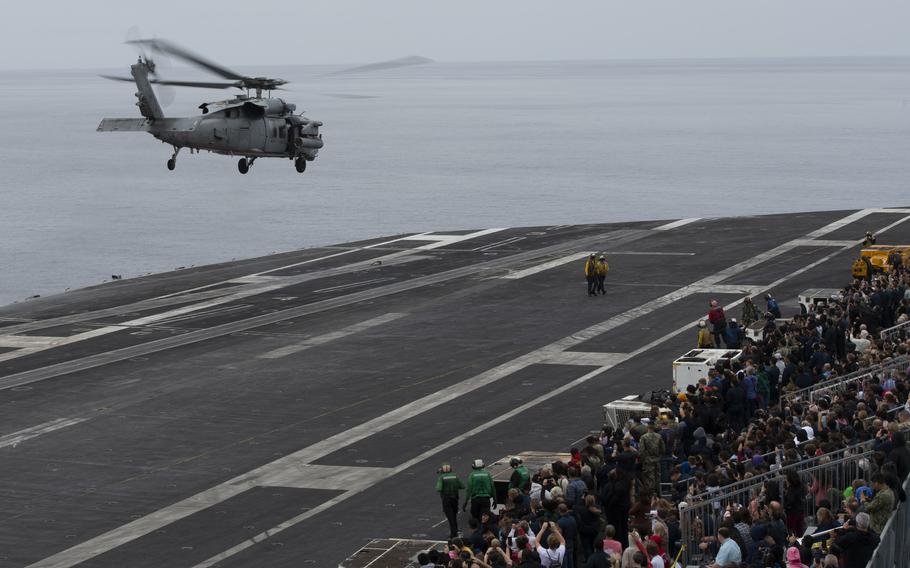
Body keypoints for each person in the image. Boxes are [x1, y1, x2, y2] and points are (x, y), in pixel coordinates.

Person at [437, 462, 465, 538]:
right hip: (455, 498)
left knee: (450, 517)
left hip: (446, 499)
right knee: (454, 515)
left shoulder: (441, 477)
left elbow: (439, 488)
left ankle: (453, 534)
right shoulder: (455, 476)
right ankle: (455, 531)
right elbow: (462, 486)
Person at [639, 423, 666, 496]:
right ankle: (659, 495)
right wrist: (659, 456)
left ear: (647, 428)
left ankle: (651, 497)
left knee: (649, 479)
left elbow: (641, 451)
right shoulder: (659, 436)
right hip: (657, 460)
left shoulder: (643, 437)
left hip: (648, 461)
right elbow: (663, 449)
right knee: (658, 478)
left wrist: (644, 459)